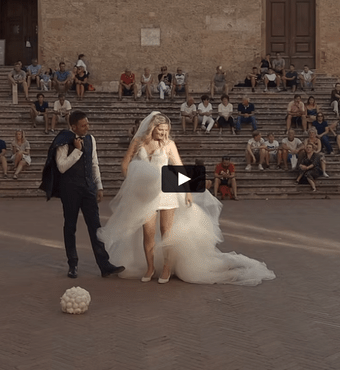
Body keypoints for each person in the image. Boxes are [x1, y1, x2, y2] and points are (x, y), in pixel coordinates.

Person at [96, 111, 275, 285]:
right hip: (145, 194)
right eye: (161, 129)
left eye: (166, 130)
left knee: (167, 231)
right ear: (152, 127)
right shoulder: (139, 142)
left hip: (167, 189)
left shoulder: (169, 144)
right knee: (148, 233)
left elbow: (179, 166)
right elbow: (125, 163)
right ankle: (150, 268)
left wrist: (188, 191)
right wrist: (132, 182)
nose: (164, 133)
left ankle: (166, 267)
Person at [39, 111, 125, 279]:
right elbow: (62, 166)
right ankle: (73, 264)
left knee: (95, 226)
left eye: (87, 124)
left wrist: (99, 186)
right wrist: (77, 151)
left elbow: (94, 163)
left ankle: (104, 264)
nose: (87, 127)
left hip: (88, 189)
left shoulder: (91, 139)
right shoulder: (64, 140)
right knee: (70, 227)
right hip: (70, 190)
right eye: (83, 125)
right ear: (73, 127)